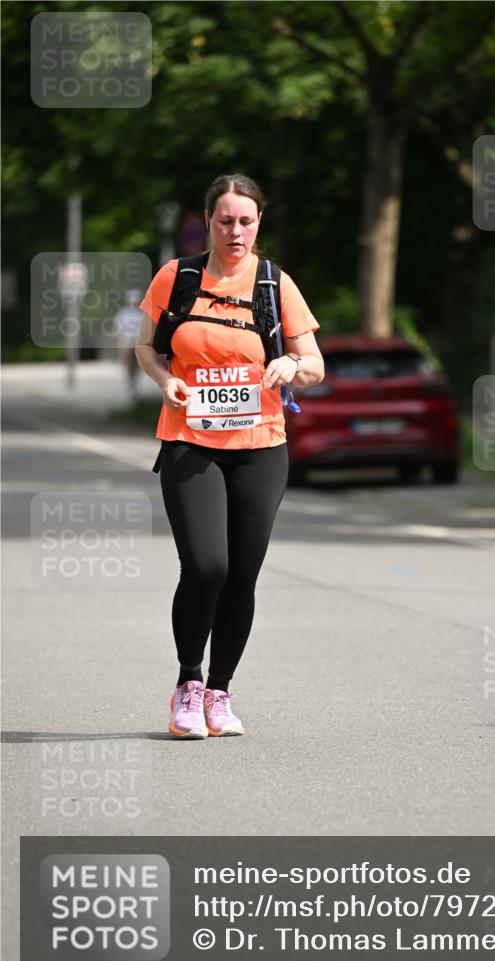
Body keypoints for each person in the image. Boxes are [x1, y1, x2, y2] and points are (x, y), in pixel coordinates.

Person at [135, 174, 324, 739]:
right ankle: (188, 685)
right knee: (206, 566)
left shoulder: (274, 283)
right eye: (225, 220)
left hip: (261, 446)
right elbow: (145, 346)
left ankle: (220, 692)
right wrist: (164, 379)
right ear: (208, 221)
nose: (235, 231)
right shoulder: (178, 277)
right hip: (190, 442)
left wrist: (291, 366)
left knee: (242, 575)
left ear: (258, 222)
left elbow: (313, 362)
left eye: (245, 221)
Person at [113, 289, 143, 400]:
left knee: (140, 361)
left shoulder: (141, 314)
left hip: (137, 341)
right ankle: (128, 378)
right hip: (126, 341)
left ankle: (134, 379)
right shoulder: (122, 313)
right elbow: (117, 328)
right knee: (126, 360)